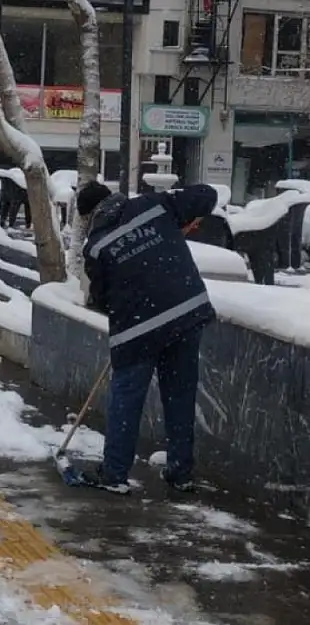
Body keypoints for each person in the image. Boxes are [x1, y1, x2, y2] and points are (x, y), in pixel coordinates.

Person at [76, 181, 219, 495]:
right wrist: (178, 221)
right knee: (179, 395)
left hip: (138, 330)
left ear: (90, 215)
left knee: (126, 400)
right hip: (185, 314)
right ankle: (180, 472)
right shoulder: (154, 204)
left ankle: (114, 474)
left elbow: (100, 300)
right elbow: (207, 195)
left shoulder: (97, 247)